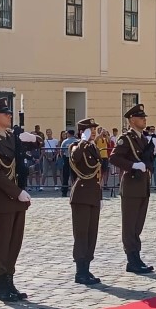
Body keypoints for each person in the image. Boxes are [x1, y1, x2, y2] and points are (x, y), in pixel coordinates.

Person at [0, 97, 39, 302]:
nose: (10, 116)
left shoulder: (12, 138)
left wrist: (32, 139)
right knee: (2, 242)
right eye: (6, 113)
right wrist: (17, 192)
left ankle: (10, 281)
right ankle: (0, 286)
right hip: (3, 198)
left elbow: (33, 148)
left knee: (15, 242)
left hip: (17, 198)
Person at [109, 103, 156, 274]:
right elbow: (114, 158)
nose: (144, 119)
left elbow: (148, 161)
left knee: (138, 225)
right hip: (131, 186)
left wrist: (153, 151)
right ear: (131, 120)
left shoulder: (144, 138)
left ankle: (136, 256)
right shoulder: (126, 138)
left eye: (144, 117)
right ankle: (132, 258)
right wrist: (133, 165)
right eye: (140, 117)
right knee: (130, 225)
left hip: (143, 186)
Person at [69, 118, 103, 285]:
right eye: (90, 129)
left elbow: (97, 171)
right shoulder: (77, 145)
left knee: (91, 234)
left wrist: (100, 196)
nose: (94, 131)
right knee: (81, 234)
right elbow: (75, 157)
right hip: (81, 195)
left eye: (95, 129)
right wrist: (83, 140)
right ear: (83, 131)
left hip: (93, 195)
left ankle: (87, 268)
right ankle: (80, 271)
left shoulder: (92, 147)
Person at [60, 130, 78, 197]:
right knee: (74, 175)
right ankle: (75, 191)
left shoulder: (65, 141)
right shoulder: (77, 141)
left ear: (69, 134)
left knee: (65, 176)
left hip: (67, 159)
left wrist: (63, 158)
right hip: (75, 160)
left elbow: (61, 151)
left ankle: (64, 191)